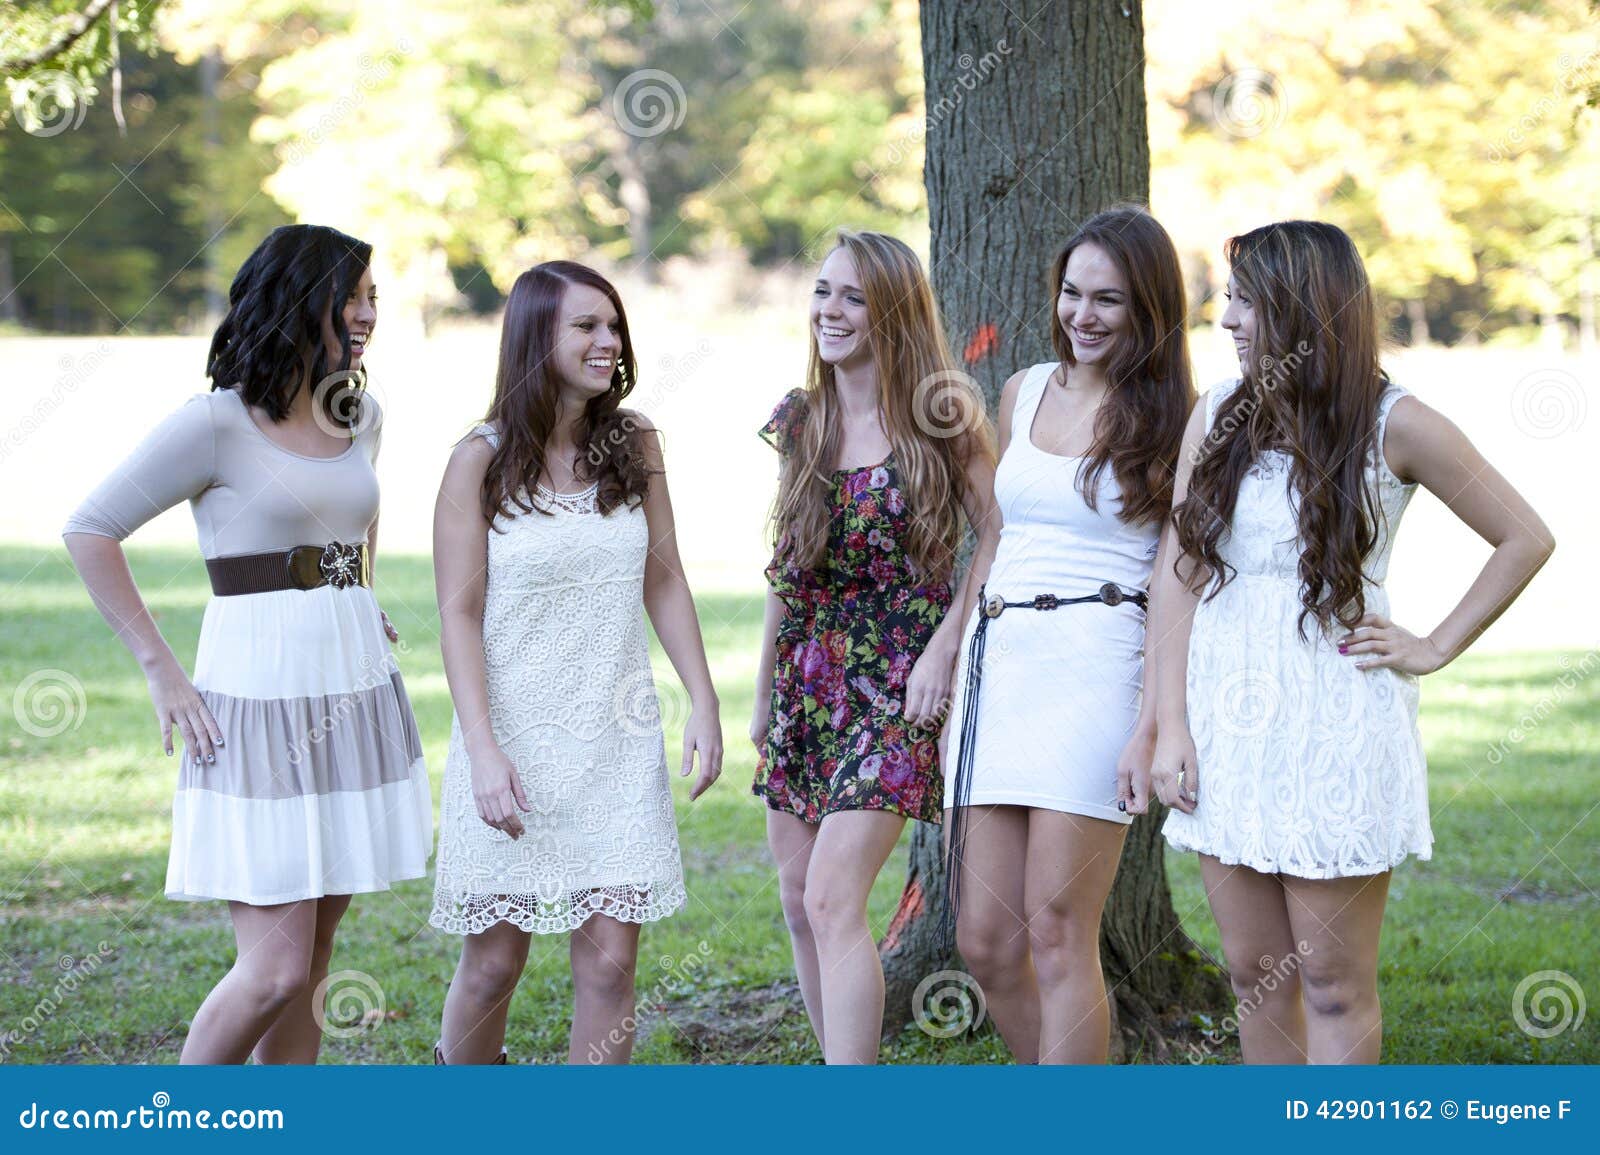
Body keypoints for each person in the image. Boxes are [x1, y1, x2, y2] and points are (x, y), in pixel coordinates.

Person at [1135, 220, 1556, 1063]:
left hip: (1337, 726)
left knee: (1331, 977)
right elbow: (1175, 575)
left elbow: (1525, 537)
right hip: (1228, 725)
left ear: (1305, 310)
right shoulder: (1218, 412)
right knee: (1253, 967)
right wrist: (1168, 722)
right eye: (1231, 299)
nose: (1229, 321)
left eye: (1248, 302)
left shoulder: (1398, 424)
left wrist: (1434, 645)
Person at [61, 224, 431, 1064]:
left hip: (353, 689)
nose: (370, 313)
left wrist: (356, 591)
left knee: (313, 961)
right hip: (255, 699)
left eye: (374, 296)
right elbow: (90, 529)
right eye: (355, 295)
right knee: (270, 971)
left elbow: (356, 516)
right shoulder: (217, 423)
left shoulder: (360, 412)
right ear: (305, 300)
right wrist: (163, 672)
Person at [429, 260, 721, 1065]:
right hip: (511, 742)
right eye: (585, 326)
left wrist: (703, 699)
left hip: (615, 737)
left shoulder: (635, 443)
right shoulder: (477, 460)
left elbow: (664, 577)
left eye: (613, 325)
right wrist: (484, 750)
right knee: (493, 964)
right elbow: (457, 612)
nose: (608, 341)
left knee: (610, 961)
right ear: (536, 338)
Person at [943, 205, 1194, 1064]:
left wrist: (1152, 720)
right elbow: (998, 539)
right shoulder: (1021, 389)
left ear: (1149, 311)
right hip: (999, 664)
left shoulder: (1173, 421)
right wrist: (948, 649)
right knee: (982, 939)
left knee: (1056, 929)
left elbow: (1176, 582)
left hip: (1098, 666)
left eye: (1109, 301)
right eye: (1072, 294)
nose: (1081, 316)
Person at [750, 229, 997, 1064]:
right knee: (795, 897)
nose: (831, 310)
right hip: (807, 681)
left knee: (830, 896)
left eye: (853, 296)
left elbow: (999, 536)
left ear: (892, 311)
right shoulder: (803, 419)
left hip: (898, 686)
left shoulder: (943, 412)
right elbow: (788, 568)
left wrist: (944, 648)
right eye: (823, 291)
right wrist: (759, 696)